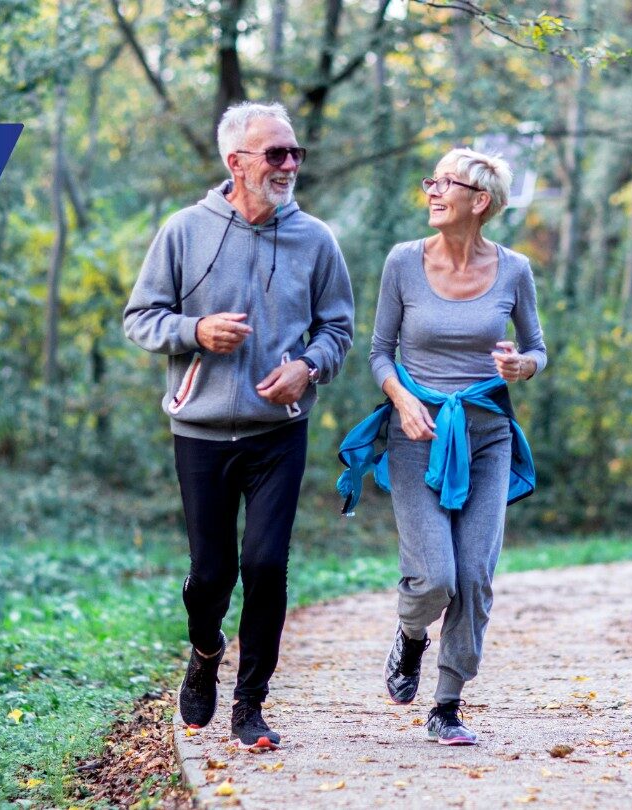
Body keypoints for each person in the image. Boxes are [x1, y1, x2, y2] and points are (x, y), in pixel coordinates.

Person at [123, 102, 354, 750]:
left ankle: (250, 704)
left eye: (294, 153)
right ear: (236, 162)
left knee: (267, 565)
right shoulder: (184, 231)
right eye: (276, 153)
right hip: (200, 431)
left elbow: (338, 329)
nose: (289, 165)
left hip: (277, 430)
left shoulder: (315, 240)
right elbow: (140, 318)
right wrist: (195, 330)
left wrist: (308, 366)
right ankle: (205, 651)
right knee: (211, 576)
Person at [337, 148, 546, 745]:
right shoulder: (404, 262)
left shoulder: (514, 270)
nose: (431, 190)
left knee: (474, 576)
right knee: (434, 578)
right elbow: (379, 352)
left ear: (479, 201)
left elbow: (536, 348)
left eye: (445, 183)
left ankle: (448, 704)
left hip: (487, 437)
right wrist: (402, 402)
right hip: (416, 434)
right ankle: (410, 637)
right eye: (432, 180)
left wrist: (522, 366)